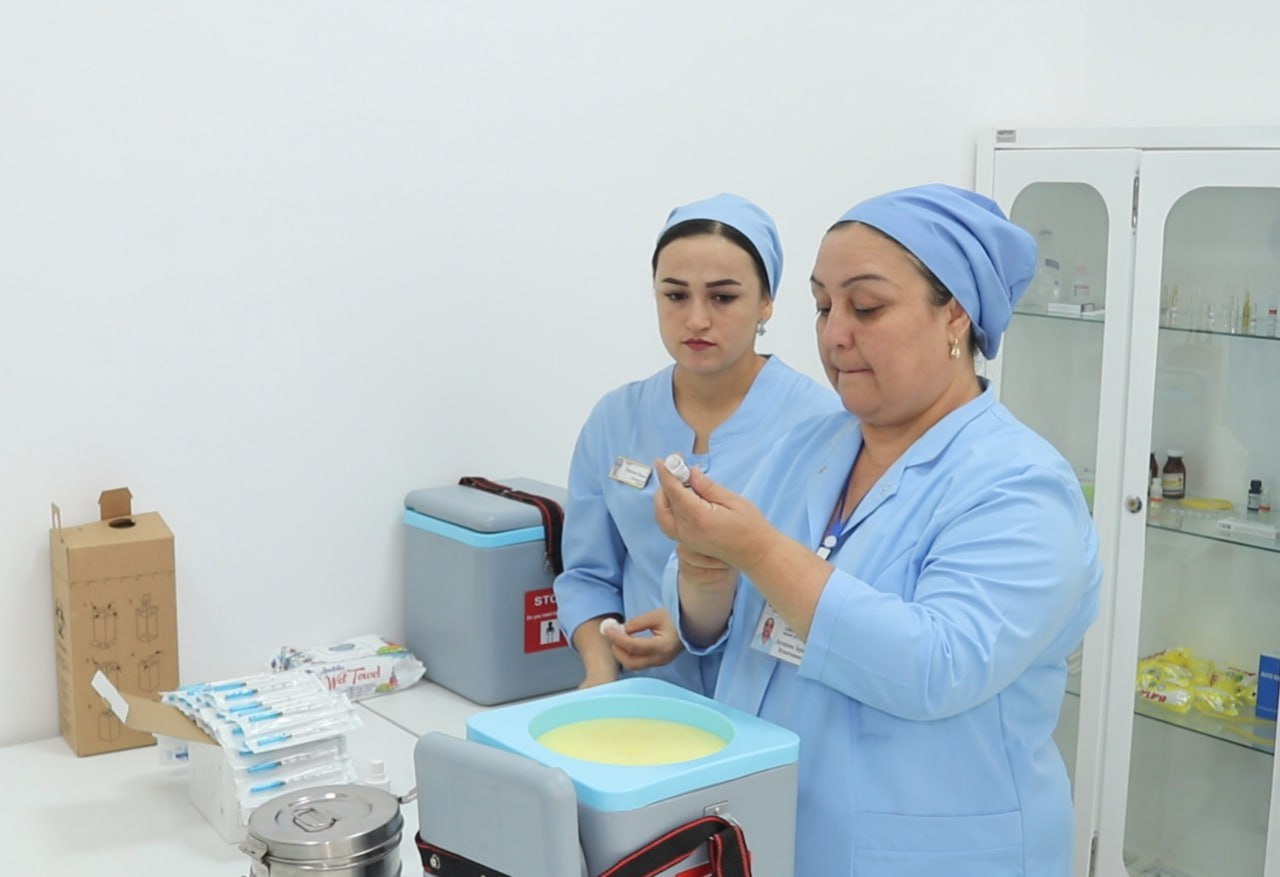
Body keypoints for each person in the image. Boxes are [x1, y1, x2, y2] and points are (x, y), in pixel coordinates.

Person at [654, 184, 1102, 875]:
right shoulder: (810, 445)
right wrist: (704, 565)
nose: (835, 334)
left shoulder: (1019, 485)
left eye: (865, 307)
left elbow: (936, 665)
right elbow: (717, 627)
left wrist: (759, 550)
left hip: (933, 853)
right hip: (776, 829)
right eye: (823, 306)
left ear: (955, 315)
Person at [554, 193, 841, 692]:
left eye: (723, 297)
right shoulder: (615, 419)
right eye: (675, 296)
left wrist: (688, 626)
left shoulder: (822, 424)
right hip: (644, 696)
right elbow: (587, 577)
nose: (696, 320)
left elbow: (831, 590)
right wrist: (600, 670)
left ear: (766, 302)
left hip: (767, 704)